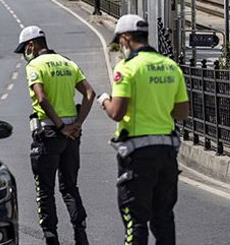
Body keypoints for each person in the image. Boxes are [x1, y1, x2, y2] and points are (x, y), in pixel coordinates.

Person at [97, 14, 189, 245]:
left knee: (135, 220)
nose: (121, 46)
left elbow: (117, 113)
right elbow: (181, 112)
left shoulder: (128, 68)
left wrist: (105, 100)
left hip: (138, 156)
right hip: (167, 153)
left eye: (120, 41)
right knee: (164, 218)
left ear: (127, 37)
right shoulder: (171, 66)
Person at [15, 25, 94, 245]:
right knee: (70, 187)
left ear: (31, 45)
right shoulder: (67, 62)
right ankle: (81, 235)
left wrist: (60, 127)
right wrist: (77, 124)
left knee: (45, 190)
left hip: (50, 134)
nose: (24, 54)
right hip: (72, 136)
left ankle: (52, 239)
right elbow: (90, 93)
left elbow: (41, 98)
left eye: (24, 49)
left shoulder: (35, 65)